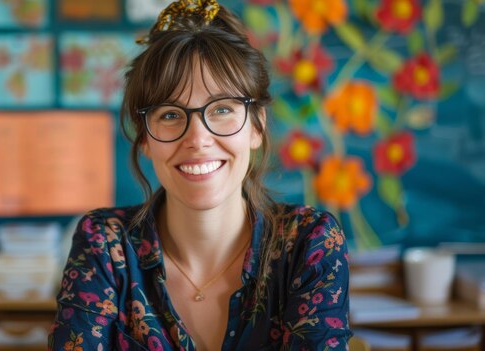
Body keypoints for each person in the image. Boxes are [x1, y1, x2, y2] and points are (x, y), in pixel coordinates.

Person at [49, 0, 352, 350]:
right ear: (145, 138)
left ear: (256, 127)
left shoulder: (308, 244)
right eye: (170, 114)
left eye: (222, 109)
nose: (197, 139)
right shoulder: (106, 245)